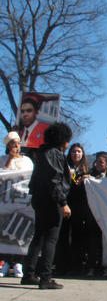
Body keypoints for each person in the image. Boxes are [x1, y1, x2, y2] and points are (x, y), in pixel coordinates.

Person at [21, 122, 72, 289]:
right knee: (50, 238)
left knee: (39, 236)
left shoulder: (42, 153)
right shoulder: (55, 154)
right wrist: (63, 203)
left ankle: (29, 274)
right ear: (62, 140)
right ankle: (45, 277)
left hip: (39, 198)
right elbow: (55, 181)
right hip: (51, 200)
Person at [0, 132, 33, 278]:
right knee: (4, 231)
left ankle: (19, 262)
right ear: (7, 146)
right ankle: (6, 262)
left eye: (18, 143)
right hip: (6, 201)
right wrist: (10, 160)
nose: (16, 146)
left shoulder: (27, 161)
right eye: (12, 143)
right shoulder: (2, 159)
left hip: (22, 201)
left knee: (20, 230)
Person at [55, 143, 89, 276]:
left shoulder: (86, 170)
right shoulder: (64, 168)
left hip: (79, 206)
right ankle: (61, 265)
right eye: (74, 152)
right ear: (70, 154)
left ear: (82, 154)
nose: (76, 154)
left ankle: (76, 265)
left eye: (79, 152)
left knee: (77, 236)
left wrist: (87, 179)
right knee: (63, 235)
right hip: (65, 204)